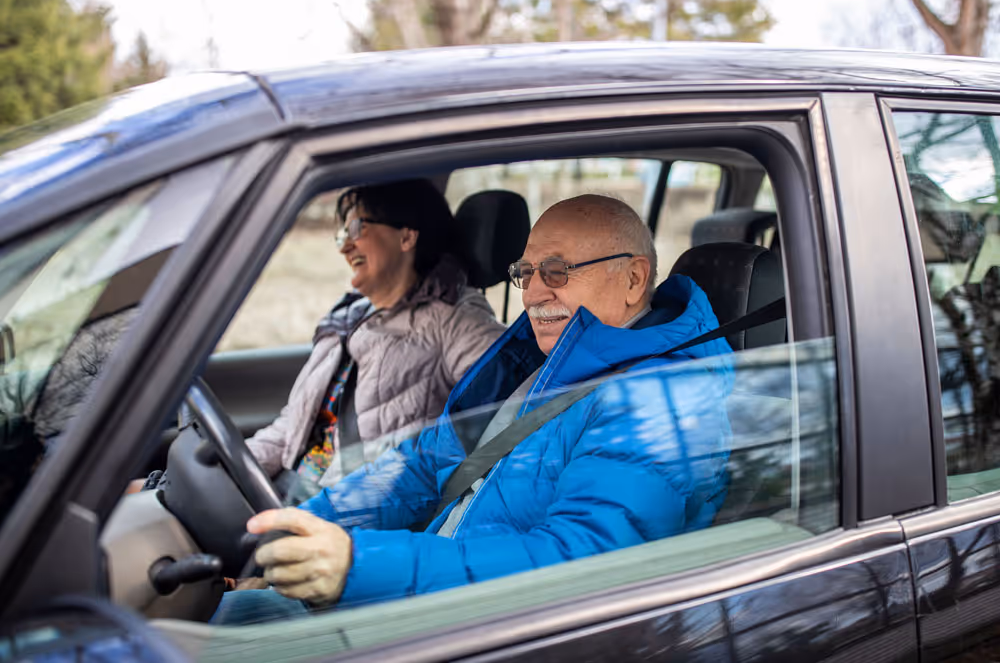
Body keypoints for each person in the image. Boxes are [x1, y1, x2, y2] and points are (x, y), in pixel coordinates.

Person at [214, 194, 732, 621]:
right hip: (448, 593)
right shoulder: (538, 361)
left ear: (634, 279)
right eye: (525, 272)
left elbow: (578, 567)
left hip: (503, 628)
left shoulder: (666, 401)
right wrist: (302, 525)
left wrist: (359, 567)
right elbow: (423, 465)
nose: (532, 293)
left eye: (555, 270)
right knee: (225, 617)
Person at [247, 179, 505, 500]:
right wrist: (241, 465)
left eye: (357, 228)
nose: (344, 246)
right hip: (295, 489)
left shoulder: (455, 318)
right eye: (343, 234)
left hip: (353, 509)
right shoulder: (348, 316)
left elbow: (520, 403)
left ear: (407, 235)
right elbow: (294, 424)